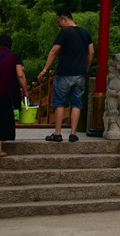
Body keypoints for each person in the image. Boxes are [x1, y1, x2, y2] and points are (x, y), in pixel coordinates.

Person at [37, 10, 94, 143]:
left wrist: (45, 69)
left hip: (64, 73)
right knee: (76, 103)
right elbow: (91, 52)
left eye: (59, 22)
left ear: (64, 19)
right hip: (80, 74)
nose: (59, 26)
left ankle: (57, 134)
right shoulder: (85, 32)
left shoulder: (64, 32)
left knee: (60, 103)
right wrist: (86, 68)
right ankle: (73, 134)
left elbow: (54, 51)